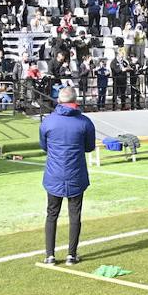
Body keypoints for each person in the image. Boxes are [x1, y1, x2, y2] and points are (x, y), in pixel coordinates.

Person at [40, 88, 96, 265]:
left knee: (51, 214)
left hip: (54, 174)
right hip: (76, 173)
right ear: (75, 101)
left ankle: (50, 255)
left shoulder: (48, 122)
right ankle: (71, 254)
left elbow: (44, 146)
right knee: (75, 214)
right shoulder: (84, 122)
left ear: (59, 101)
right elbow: (89, 147)